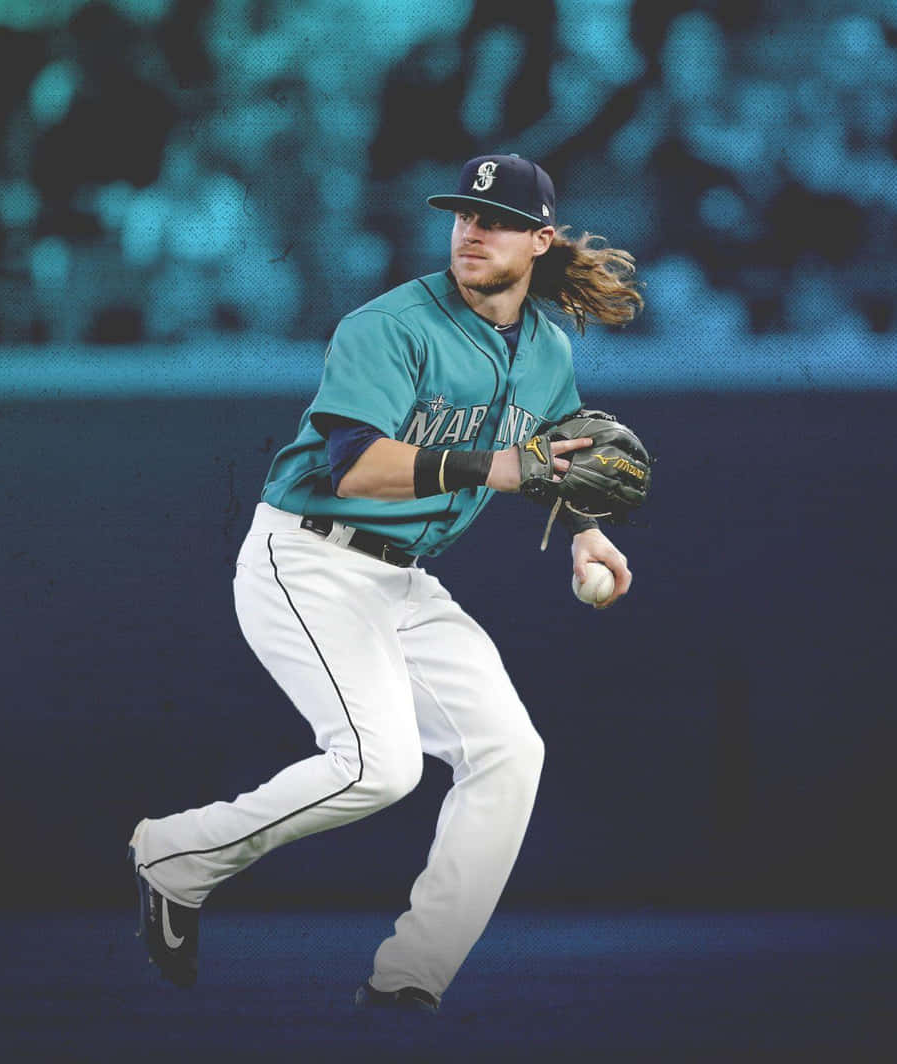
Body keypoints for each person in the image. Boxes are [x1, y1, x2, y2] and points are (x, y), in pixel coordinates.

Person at [128, 153, 644, 1013]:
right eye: (463, 215)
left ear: (540, 241)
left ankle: (412, 977)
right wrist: (509, 468)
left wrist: (588, 534)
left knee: (511, 752)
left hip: (403, 581)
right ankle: (176, 856)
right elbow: (357, 467)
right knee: (380, 765)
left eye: (499, 221)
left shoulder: (546, 348)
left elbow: (563, 461)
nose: (473, 231)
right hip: (308, 557)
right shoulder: (390, 324)